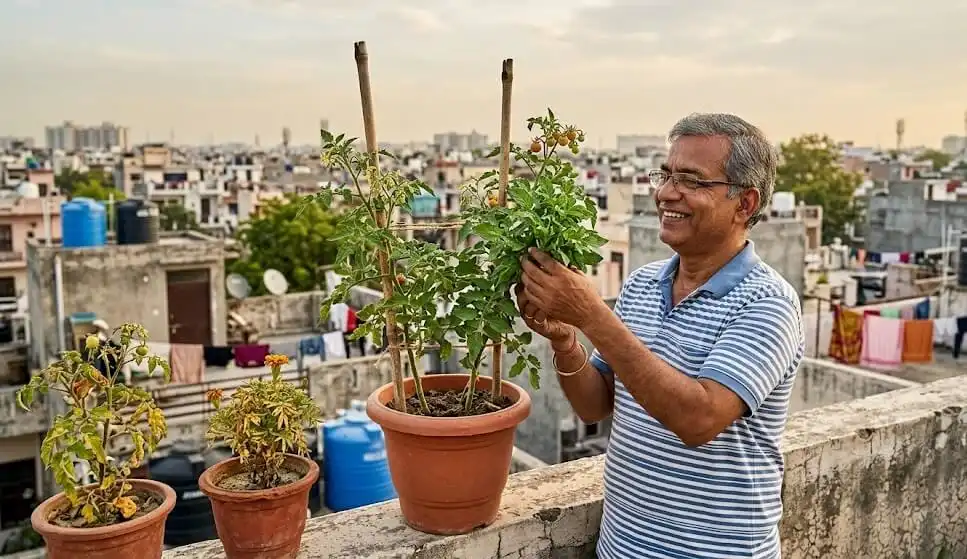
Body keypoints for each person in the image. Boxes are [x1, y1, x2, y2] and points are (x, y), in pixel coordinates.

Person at [516, 113, 805, 559]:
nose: (667, 193)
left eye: (691, 180)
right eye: (666, 175)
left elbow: (698, 419)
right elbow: (596, 404)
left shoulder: (768, 303)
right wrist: (565, 340)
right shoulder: (643, 284)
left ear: (745, 204)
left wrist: (592, 316)